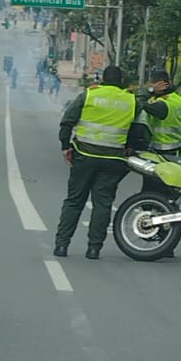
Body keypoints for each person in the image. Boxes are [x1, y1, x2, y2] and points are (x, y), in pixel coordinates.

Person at [54, 63, 136, 260]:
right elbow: (139, 130)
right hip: (113, 159)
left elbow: (67, 121)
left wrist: (66, 146)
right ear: (122, 81)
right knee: (103, 205)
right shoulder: (131, 100)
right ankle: (93, 249)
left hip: (84, 155)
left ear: (101, 79)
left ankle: (62, 246)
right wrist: (129, 147)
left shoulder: (89, 95)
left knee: (74, 201)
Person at [137, 68, 181, 153]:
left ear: (160, 84)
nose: (149, 86)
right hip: (179, 148)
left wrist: (151, 91)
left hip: (165, 149)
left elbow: (139, 103)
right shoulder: (178, 99)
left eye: (151, 84)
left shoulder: (161, 104)